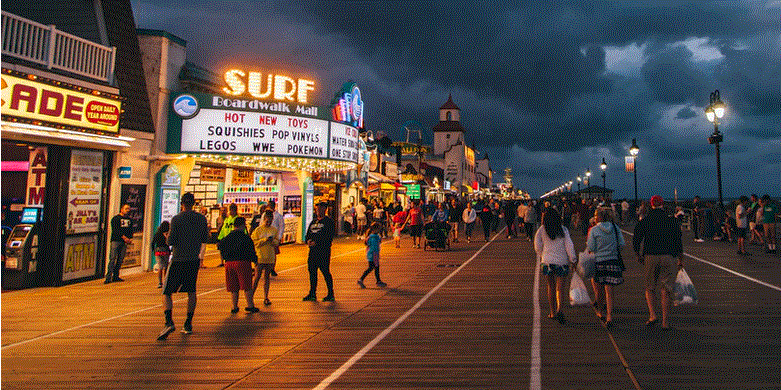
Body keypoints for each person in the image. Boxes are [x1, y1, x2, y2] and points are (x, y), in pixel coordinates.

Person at [158, 192, 209, 340]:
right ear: (194, 203)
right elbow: (205, 238)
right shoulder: (201, 219)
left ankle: (168, 321)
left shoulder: (176, 219)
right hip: (193, 259)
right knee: (191, 291)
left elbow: (171, 241)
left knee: (166, 291)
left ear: (182, 203)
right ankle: (188, 322)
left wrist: (167, 237)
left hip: (178, 259)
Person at [633, 195, 683, 330]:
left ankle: (653, 315)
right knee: (666, 289)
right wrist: (680, 257)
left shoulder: (646, 220)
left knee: (650, 287)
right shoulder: (671, 220)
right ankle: (665, 321)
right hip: (668, 255)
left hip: (650, 255)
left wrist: (638, 253)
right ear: (662, 205)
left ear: (651, 205)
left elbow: (637, 237)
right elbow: (678, 239)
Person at [534, 208, 576, 324]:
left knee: (550, 287)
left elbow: (537, 245)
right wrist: (573, 259)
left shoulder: (542, 230)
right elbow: (569, 245)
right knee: (560, 288)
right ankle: (560, 310)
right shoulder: (563, 230)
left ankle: (552, 312)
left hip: (547, 262)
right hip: (562, 262)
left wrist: (542, 254)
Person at [586, 208, 625, 327]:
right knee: (609, 291)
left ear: (598, 217)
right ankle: (609, 316)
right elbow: (622, 244)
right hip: (612, 261)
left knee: (599, 289)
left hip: (599, 262)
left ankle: (600, 311)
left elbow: (591, 247)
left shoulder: (594, 230)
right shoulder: (615, 228)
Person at [218, 216, 260, 313]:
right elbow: (251, 251)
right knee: (246, 286)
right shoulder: (245, 238)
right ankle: (250, 305)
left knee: (233, 287)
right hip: (243, 262)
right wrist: (255, 261)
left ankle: (234, 306)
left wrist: (225, 258)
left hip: (229, 263)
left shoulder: (227, 237)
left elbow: (221, 247)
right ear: (242, 225)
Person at [303, 202, 337, 302]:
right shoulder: (313, 222)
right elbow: (308, 234)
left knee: (325, 271)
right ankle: (312, 293)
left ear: (325, 209)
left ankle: (330, 293)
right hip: (312, 252)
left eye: (320, 208)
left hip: (323, 251)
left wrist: (317, 242)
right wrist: (308, 240)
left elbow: (329, 236)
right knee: (312, 272)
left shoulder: (328, 222)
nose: (318, 211)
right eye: (317, 209)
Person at [252, 210, 280, 306]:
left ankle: (266, 297)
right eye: (267, 221)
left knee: (267, 277)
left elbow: (277, 242)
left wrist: (272, 241)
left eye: (270, 221)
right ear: (264, 219)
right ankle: (251, 296)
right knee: (257, 277)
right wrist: (265, 240)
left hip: (270, 257)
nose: (268, 223)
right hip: (260, 256)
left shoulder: (273, 230)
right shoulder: (258, 230)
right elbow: (255, 242)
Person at [105, 203, 133, 284]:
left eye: (128, 209)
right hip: (116, 240)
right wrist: (124, 237)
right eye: (126, 209)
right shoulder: (116, 219)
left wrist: (130, 238)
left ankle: (116, 276)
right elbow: (116, 230)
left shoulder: (129, 219)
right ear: (121, 209)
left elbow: (130, 230)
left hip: (124, 242)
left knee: (120, 259)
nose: (127, 211)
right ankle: (108, 277)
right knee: (112, 258)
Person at [358, 222, 387, 288]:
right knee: (373, 267)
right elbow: (374, 247)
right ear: (376, 229)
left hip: (371, 254)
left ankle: (377, 280)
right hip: (373, 255)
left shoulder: (371, 237)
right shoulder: (374, 238)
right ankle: (362, 279)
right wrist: (376, 256)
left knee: (374, 267)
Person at [264, 200, 284, 276]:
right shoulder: (264, 215)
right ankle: (266, 267)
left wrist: (279, 237)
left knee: (273, 253)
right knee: (265, 252)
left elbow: (281, 226)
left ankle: (272, 268)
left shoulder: (278, 216)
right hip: (265, 236)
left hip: (274, 237)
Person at [152, 221, 171, 288]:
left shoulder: (157, 234)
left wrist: (153, 250)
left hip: (158, 251)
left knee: (160, 266)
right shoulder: (167, 234)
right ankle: (166, 281)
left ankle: (160, 282)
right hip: (165, 250)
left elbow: (153, 242)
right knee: (166, 266)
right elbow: (169, 242)